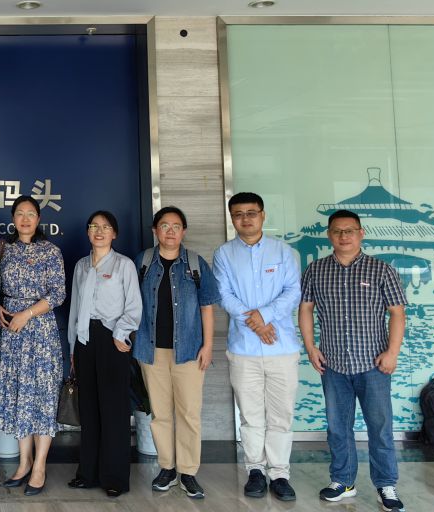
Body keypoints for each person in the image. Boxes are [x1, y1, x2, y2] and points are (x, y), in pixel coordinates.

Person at [299, 209, 407, 511]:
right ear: (329, 235)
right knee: (337, 427)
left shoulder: (382, 270)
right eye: (337, 231)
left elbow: (397, 313)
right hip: (332, 363)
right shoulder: (316, 270)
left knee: (380, 427)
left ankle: (386, 484)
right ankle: (343, 481)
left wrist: (392, 353)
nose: (343, 236)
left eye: (349, 230)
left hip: (374, 364)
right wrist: (310, 347)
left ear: (361, 233)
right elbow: (305, 308)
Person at [212, 192, 301, 502]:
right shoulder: (224, 254)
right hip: (244, 349)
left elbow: (293, 291)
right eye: (238, 214)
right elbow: (224, 294)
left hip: (282, 347)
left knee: (281, 414)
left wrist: (265, 316)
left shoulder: (284, 252)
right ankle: (255, 470)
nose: (245, 218)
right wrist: (256, 323)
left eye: (251, 212)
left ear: (262, 215)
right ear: (232, 218)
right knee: (250, 415)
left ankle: (280, 473)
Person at [133, 205, 220, 500]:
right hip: (152, 351)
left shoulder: (195, 264)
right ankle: (167, 468)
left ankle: (188, 472)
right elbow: (131, 303)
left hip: (189, 351)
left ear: (183, 231)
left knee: (189, 413)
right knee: (160, 414)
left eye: (176, 226)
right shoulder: (143, 262)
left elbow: (207, 307)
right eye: (164, 226)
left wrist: (208, 346)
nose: (170, 231)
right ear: (155, 230)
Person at [0, 195, 66, 496]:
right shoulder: (2, 248)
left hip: (40, 332)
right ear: (13, 219)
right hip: (11, 332)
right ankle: (24, 463)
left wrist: (27, 313)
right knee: (19, 396)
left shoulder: (51, 251)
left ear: (38, 219)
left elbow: (58, 293)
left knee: (42, 397)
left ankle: (40, 467)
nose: (25, 219)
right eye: (20, 213)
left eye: (31, 214)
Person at [66, 210, 142, 497]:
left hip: (112, 339)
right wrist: (73, 346)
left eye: (105, 227)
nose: (99, 231)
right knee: (89, 409)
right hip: (85, 340)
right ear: (88, 232)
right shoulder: (81, 266)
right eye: (94, 226)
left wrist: (122, 333)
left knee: (113, 410)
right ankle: (88, 473)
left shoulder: (124, 265)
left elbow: (133, 305)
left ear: (114, 233)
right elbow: (75, 308)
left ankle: (114, 478)